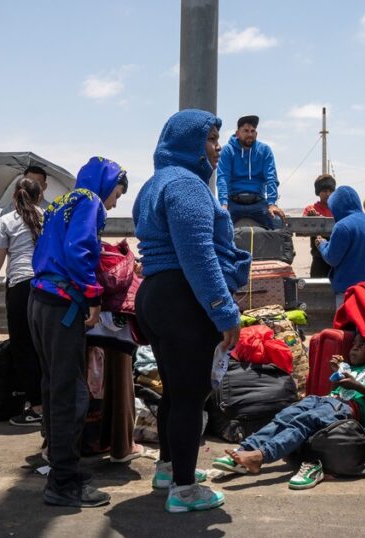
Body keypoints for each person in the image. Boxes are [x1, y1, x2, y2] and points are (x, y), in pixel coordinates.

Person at [133, 109, 251, 513]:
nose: (219, 148)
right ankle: (184, 491)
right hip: (183, 298)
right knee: (189, 397)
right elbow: (198, 255)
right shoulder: (187, 185)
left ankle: (169, 469)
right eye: (212, 140)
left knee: (174, 393)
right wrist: (225, 312)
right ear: (189, 143)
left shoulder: (154, 184)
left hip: (156, 295)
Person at [28, 156, 127, 508]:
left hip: (39, 300)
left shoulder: (60, 202)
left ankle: (62, 469)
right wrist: (93, 295)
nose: (114, 202)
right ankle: (63, 483)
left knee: (55, 388)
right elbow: (79, 250)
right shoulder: (89, 201)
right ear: (106, 183)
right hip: (63, 307)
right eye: (116, 193)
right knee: (72, 395)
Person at [210, 333, 365, 490]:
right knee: (286, 415)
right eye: (353, 344)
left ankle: (260, 457)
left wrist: (355, 385)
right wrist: (338, 372)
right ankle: (246, 449)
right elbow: (338, 389)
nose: (354, 348)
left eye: (361, 345)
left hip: (348, 406)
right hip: (326, 399)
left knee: (306, 420)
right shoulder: (348, 367)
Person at [0, 177, 46, 427]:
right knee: (44, 346)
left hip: (20, 288)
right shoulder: (47, 218)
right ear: (39, 196)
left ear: (14, 198)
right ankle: (49, 403)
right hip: (46, 287)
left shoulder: (6, 222)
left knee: (24, 347)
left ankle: (37, 407)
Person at [313, 186, 365, 309]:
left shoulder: (342, 226)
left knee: (347, 327)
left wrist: (322, 245)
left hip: (348, 292)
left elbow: (332, 258)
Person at [216, 115, 285, 229]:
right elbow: (223, 178)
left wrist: (272, 204)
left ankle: (286, 248)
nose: (250, 134)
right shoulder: (227, 150)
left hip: (258, 202)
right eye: (246, 131)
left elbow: (271, 177)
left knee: (277, 221)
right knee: (219, 223)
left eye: (253, 131)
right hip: (234, 202)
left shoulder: (265, 150)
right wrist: (223, 204)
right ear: (237, 133)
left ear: (256, 134)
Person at [303, 174, 336, 278]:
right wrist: (311, 219)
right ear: (318, 192)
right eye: (324, 191)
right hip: (319, 258)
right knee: (317, 289)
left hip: (337, 257)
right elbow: (302, 229)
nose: (328, 194)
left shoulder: (338, 209)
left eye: (330, 191)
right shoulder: (310, 209)